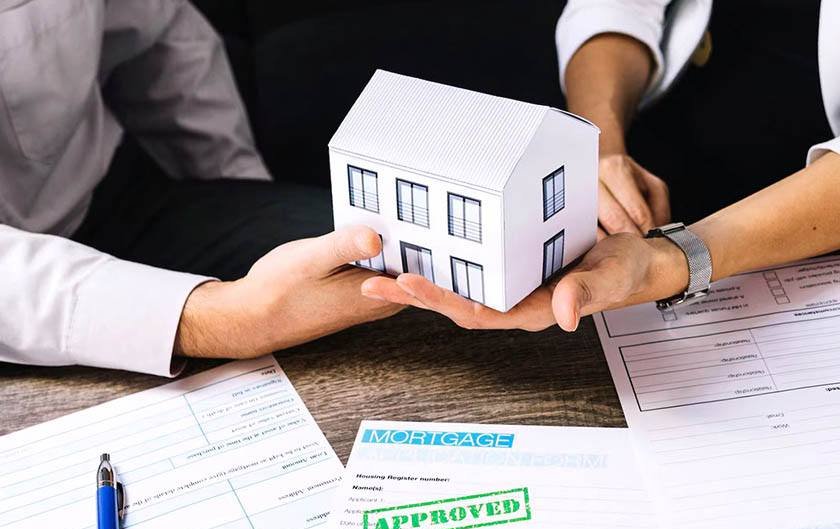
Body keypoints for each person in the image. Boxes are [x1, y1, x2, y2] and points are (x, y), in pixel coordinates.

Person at [363, 0, 840, 331]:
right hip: (659, 132)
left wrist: (673, 259)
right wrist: (596, 146)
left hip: (805, 217)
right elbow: (618, 7)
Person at [0, 0, 401, 376]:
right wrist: (223, 319)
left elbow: (158, 34)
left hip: (114, 197)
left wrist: (242, 196)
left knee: (389, 266)